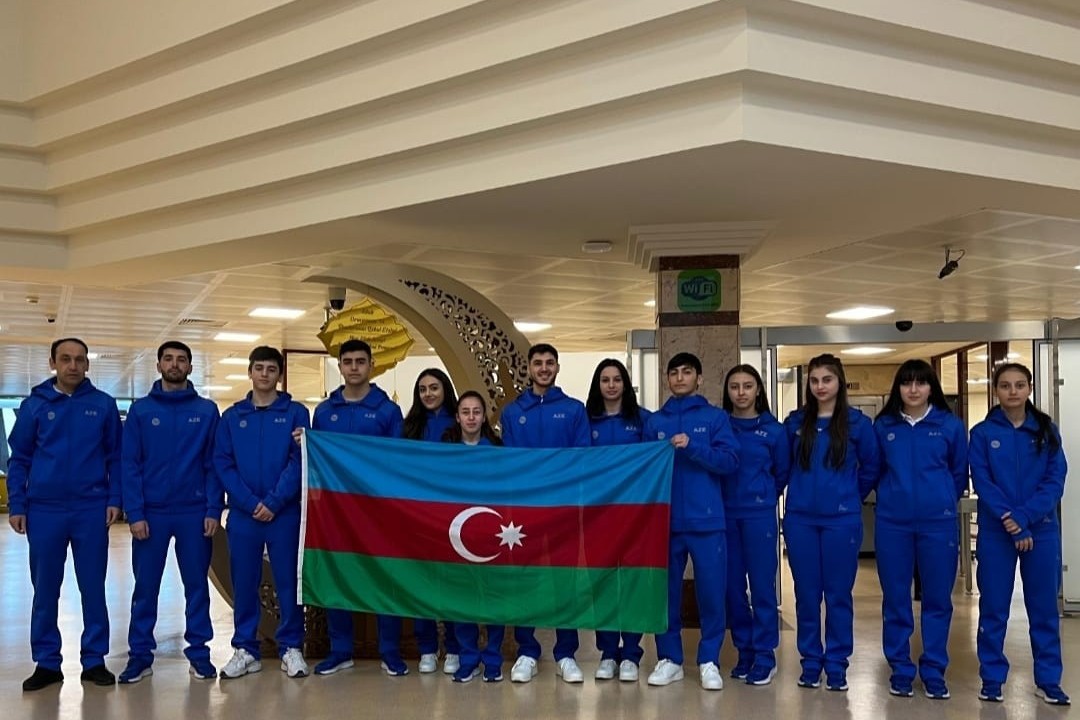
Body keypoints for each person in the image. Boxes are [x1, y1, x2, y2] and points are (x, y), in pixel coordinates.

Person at [7, 338, 123, 691]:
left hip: (91, 509)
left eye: (79, 360)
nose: (73, 365)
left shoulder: (103, 405)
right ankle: (47, 662)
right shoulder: (34, 406)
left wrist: (114, 499)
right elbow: (19, 460)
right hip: (45, 511)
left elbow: (116, 458)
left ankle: (94, 660)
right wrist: (17, 504)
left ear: (87, 365)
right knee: (45, 590)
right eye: (66, 359)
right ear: (53, 363)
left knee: (93, 588)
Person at [118, 341, 223, 684]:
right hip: (152, 514)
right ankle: (139, 656)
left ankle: (200, 654)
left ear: (190, 367)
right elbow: (129, 464)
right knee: (145, 587)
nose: (174, 364)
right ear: (159, 365)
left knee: (197, 587)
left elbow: (213, 464)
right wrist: (135, 513)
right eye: (168, 359)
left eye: (181, 360)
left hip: (194, 512)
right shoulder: (141, 411)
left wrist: (213, 508)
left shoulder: (206, 411)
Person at [970, 362, 1070, 706]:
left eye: (1019, 385)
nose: (1012, 391)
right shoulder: (982, 434)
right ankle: (992, 678)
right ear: (996, 390)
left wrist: (1024, 518)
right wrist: (1011, 520)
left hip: (1040, 531)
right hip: (997, 532)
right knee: (994, 608)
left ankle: (1049, 680)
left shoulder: (1046, 431)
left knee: (1044, 609)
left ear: (1030, 388)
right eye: (1005, 385)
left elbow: (1055, 480)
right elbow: (983, 481)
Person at [783, 353, 881, 692]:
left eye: (827, 379)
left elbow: (871, 467)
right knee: (807, 595)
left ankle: (837, 663)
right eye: (814, 380)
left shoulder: (858, 424)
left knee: (838, 595)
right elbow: (783, 466)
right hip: (800, 520)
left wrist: (849, 496)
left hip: (842, 520)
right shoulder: (795, 422)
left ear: (839, 382)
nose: (820, 386)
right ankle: (811, 661)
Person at [643, 352, 740, 691]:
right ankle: (669, 659)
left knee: (711, 593)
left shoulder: (715, 418)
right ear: (667, 379)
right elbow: (642, 469)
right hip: (665, 524)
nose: (680, 378)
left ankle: (709, 660)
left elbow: (729, 461)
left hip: (707, 522)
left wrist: (693, 446)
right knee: (664, 594)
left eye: (687, 372)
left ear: (699, 378)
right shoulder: (654, 422)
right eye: (674, 373)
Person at [309, 340, 405, 677]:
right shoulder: (324, 412)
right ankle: (341, 651)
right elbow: (317, 462)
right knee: (338, 576)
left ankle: (390, 651)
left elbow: (395, 461)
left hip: (377, 511)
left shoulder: (388, 411)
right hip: (335, 510)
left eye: (360, 361)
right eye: (347, 361)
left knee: (383, 577)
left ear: (371, 365)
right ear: (339, 366)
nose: (353, 367)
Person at [214, 346, 311, 680]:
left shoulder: (296, 413)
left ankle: (291, 647)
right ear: (250, 372)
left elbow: (299, 460)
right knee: (244, 583)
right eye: (259, 368)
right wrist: (247, 502)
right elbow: (223, 463)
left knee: (288, 583)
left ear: (279, 374)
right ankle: (245, 648)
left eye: (272, 369)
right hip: (244, 516)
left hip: (284, 514)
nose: (265, 374)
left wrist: (274, 501)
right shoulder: (232, 417)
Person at [873, 360, 967, 699]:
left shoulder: (950, 426)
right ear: (898, 388)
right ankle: (900, 669)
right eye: (906, 383)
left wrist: (941, 500)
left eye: (921, 383)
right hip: (892, 524)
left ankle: (934, 670)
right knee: (896, 598)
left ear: (931, 388)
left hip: (938, 523)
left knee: (937, 599)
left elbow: (959, 473)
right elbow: (874, 469)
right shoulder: (884, 426)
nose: (913, 390)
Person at [499, 343, 590, 684]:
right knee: (526, 580)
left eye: (550, 362)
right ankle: (527, 651)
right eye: (538, 363)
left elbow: (582, 458)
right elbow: (510, 462)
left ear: (557, 368)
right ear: (529, 368)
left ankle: (566, 653)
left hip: (564, 508)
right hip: (524, 512)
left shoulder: (573, 409)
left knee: (564, 582)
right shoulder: (512, 412)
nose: (544, 368)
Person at [721, 364, 789, 687]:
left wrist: (763, 496)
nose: (741, 393)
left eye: (747, 386)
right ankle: (744, 651)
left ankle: (765, 655)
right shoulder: (720, 425)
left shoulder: (774, 431)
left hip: (759, 515)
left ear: (758, 389)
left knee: (762, 587)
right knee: (732, 589)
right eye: (735, 386)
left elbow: (782, 472)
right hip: (725, 515)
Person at [585, 358, 651, 683]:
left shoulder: (643, 420)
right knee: (604, 585)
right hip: (598, 516)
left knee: (634, 584)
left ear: (625, 384)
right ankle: (608, 652)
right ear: (598, 385)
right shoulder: (586, 421)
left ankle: (632, 653)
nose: (611, 385)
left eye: (617, 379)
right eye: (605, 380)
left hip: (636, 516)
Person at [442, 390, 506, 683]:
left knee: (494, 598)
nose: (471, 417)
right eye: (465, 412)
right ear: (457, 417)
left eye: (476, 412)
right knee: (461, 598)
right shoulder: (445, 451)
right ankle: (468, 658)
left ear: (484, 417)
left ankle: (493, 658)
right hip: (456, 533)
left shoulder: (498, 451)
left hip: (491, 533)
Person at [402, 368, 461, 675]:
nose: (428, 394)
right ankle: (427, 647)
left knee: (450, 583)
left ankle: (454, 647)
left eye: (434, 387)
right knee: (421, 582)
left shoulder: (458, 423)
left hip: (451, 514)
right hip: (417, 516)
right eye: (423, 389)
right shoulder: (409, 426)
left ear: (445, 389)